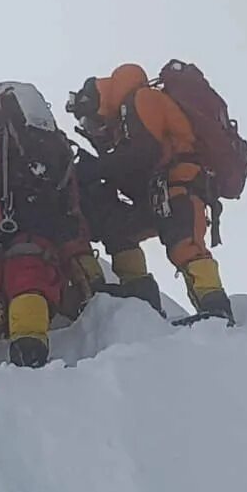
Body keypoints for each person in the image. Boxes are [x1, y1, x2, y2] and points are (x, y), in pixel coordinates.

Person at [0, 83, 103, 370]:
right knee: (29, 276)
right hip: (38, 224)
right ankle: (29, 349)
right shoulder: (50, 139)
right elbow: (69, 197)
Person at [67, 63, 234, 321]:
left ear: (96, 101)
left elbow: (145, 151)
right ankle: (139, 300)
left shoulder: (140, 99)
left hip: (179, 184)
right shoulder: (124, 120)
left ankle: (215, 307)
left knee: (185, 246)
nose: (92, 128)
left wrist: (97, 168)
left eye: (88, 119)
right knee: (119, 230)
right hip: (161, 190)